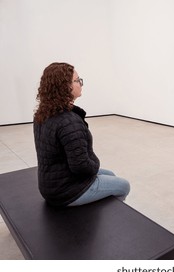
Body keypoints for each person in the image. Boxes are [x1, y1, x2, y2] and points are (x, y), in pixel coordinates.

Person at [33, 62, 130, 207]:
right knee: (124, 185)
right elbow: (82, 167)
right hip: (66, 191)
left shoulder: (42, 114)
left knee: (110, 174)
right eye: (77, 80)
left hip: (50, 184)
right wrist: (96, 164)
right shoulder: (69, 122)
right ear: (65, 86)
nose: (81, 84)